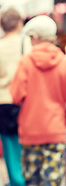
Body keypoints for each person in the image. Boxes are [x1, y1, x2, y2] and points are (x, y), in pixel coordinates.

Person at [10, 15, 66, 186]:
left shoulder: (26, 62)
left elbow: (16, 95)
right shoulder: (63, 61)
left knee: (32, 181)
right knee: (53, 181)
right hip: (56, 131)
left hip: (31, 132)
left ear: (34, 37)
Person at [0, 8, 26, 186]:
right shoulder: (27, 43)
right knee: (26, 148)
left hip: (3, 100)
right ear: (19, 23)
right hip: (25, 101)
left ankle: (15, 181)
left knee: (10, 151)